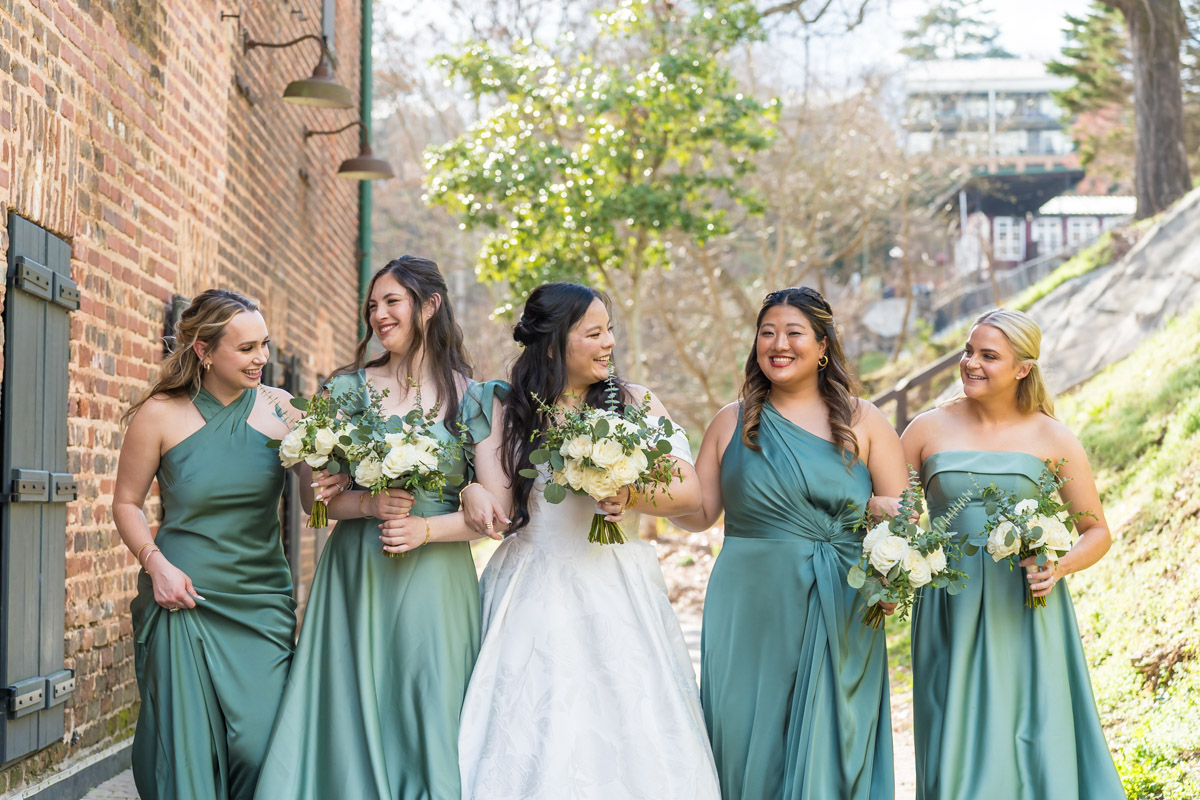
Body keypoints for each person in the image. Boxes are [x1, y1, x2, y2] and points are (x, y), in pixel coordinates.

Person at [253, 256, 506, 800]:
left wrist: (438, 518)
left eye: (392, 302)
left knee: (429, 707)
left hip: (437, 580)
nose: (379, 316)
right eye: (373, 306)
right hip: (358, 573)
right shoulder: (345, 391)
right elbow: (314, 503)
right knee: (353, 706)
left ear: (430, 305)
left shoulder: (474, 397)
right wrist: (367, 505)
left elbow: (494, 520)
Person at [456, 282, 721, 800]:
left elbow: (689, 491)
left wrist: (630, 489)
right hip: (533, 586)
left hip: (617, 582)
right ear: (554, 343)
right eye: (594, 333)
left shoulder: (636, 403)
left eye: (611, 331)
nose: (609, 344)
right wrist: (469, 489)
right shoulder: (509, 410)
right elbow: (502, 506)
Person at [672, 286, 906, 800]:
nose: (779, 344)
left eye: (794, 333)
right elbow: (700, 513)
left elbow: (905, 519)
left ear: (823, 346)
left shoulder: (863, 420)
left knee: (835, 742)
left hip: (841, 600)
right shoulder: (729, 422)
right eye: (767, 332)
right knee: (741, 739)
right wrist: (632, 491)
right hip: (747, 604)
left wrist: (892, 576)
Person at [902, 308, 1124, 800]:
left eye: (988, 355)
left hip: (1026, 607)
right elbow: (896, 517)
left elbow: (1096, 530)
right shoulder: (924, 430)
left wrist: (1059, 565)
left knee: (1030, 735)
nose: (970, 363)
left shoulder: (1053, 437)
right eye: (968, 351)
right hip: (949, 607)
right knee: (952, 735)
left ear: (1023, 368)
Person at [114, 289, 318, 800]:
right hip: (182, 595)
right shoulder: (160, 414)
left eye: (265, 345)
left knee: (260, 745)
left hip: (260, 600)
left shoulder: (285, 411)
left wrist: (331, 473)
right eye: (247, 348)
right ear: (205, 351)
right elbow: (125, 504)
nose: (262, 359)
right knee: (187, 750)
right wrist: (155, 564)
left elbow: (316, 506)